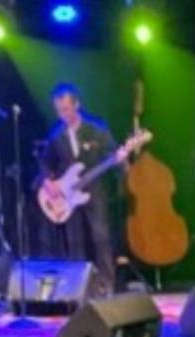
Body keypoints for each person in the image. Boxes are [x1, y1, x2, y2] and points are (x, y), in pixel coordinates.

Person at [40, 83, 124, 298]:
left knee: (101, 237)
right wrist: (49, 181)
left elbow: (113, 154)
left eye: (66, 109)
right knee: (74, 241)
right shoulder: (56, 135)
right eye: (59, 110)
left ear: (77, 104)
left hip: (95, 190)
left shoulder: (97, 129)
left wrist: (120, 160)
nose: (63, 114)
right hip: (68, 196)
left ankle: (107, 287)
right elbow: (46, 163)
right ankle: (76, 290)